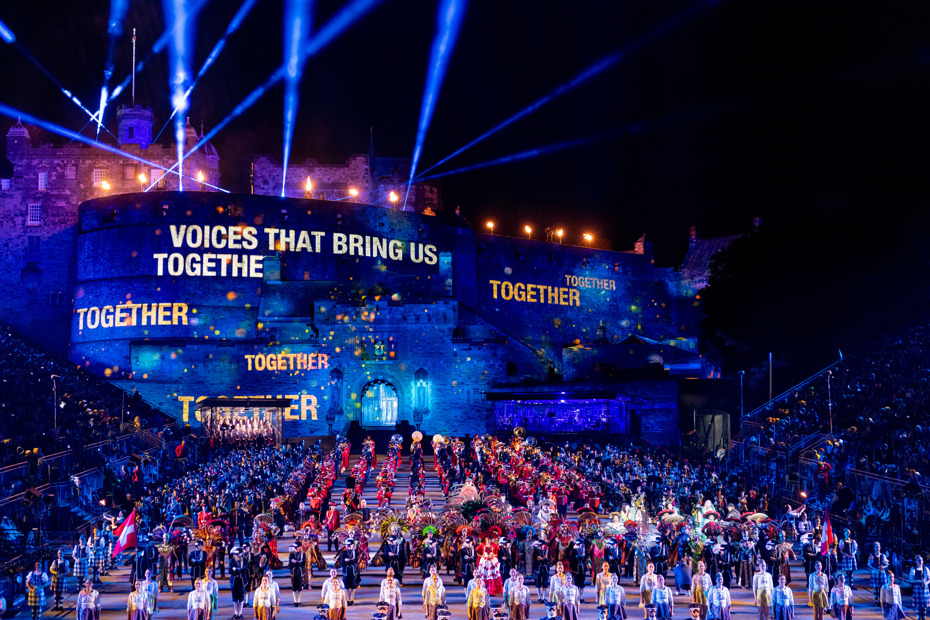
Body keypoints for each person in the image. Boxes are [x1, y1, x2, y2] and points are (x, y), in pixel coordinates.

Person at [339, 537, 361, 605]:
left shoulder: (356, 552)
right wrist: (348, 560)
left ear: (353, 545)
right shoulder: (344, 552)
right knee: (346, 586)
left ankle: (352, 599)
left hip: (353, 571)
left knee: (353, 586)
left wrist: (349, 560)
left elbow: (356, 561)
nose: (349, 546)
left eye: (350, 545)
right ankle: (347, 599)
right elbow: (342, 562)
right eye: (348, 545)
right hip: (346, 571)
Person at [870, 542, 891, 607]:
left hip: (882, 573)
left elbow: (887, 564)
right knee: (876, 587)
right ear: (874, 548)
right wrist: (875, 569)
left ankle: (882, 600)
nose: (878, 548)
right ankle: (876, 600)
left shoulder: (883, 555)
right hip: (875, 572)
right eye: (876, 547)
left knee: (882, 587)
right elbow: (869, 564)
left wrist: (883, 567)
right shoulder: (872, 555)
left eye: (879, 546)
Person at [230, 548, 248, 620]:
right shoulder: (232, 560)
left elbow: (245, 570)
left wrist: (236, 570)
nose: (236, 555)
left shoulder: (244, 560)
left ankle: (240, 613)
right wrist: (239, 570)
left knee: (241, 598)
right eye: (235, 554)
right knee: (234, 598)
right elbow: (229, 570)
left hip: (242, 581)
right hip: (234, 581)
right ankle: (235, 613)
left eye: (237, 554)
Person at [910, 555, 930, 620]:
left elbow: (929, 579)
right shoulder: (913, 569)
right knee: (918, 607)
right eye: (919, 560)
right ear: (916, 561)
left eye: (921, 560)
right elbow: (911, 579)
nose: (921, 561)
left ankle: (923, 618)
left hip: (924, 589)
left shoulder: (925, 569)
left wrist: (925, 583)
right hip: (917, 589)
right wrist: (919, 581)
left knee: (924, 607)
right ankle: (919, 618)